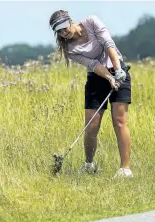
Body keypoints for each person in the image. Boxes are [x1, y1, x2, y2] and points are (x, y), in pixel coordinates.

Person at [49, 10, 133, 178]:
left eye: (65, 28)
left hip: (118, 69)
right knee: (91, 126)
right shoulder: (69, 48)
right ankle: (89, 165)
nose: (64, 34)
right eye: (59, 32)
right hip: (97, 77)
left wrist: (117, 70)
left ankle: (125, 169)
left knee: (119, 121)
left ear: (70, 21)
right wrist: (109, 77)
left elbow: (109, 44)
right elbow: (93, 64)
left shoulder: (92, 22)